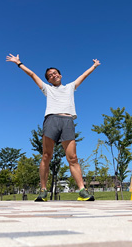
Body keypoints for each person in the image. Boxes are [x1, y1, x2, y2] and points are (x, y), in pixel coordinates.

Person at [6, 53, 100, 201]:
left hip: (67, 121)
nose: (53, 75)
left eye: (55, 73)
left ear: (60, 75)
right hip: (51, 120)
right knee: (46, 156)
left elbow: (83, 76)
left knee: (73, 158)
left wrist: (94, 66)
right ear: (48, 79)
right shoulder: (47, 89)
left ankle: (82, 191)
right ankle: (43, 191)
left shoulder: (70, 87)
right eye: (50, 75)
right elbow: (32, 74)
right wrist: (19, 63)